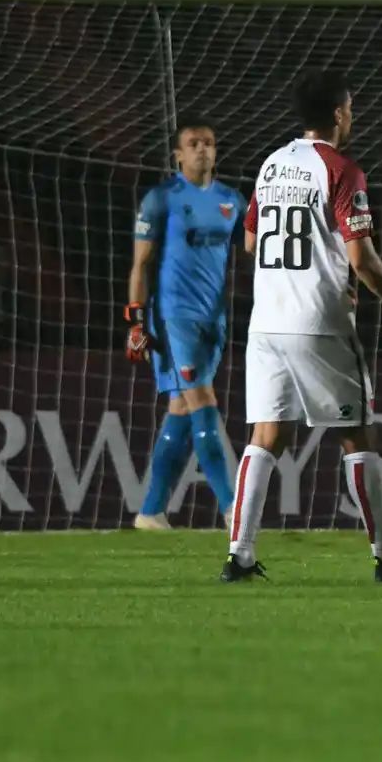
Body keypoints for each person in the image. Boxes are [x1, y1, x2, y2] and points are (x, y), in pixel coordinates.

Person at [221, 71, 382, 583]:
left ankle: (240, 556)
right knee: (357, 435)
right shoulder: (340, 170)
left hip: (266, 322)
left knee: (265, 435)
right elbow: (361, 260)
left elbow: (250, 243)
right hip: (318, 320)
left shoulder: (272, 164)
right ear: (339, 114)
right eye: (351, 109)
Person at [125, 122, 242, 529]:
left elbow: (252, 254)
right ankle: (233, 508)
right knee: (203, 401)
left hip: (214, 318)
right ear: (177, 155)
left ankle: (151, 511)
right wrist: (136, 320)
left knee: (180, 406)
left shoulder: (232, 200)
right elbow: (140, 264)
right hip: (174, 316)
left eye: (209, 143)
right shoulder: (162, 199)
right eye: (193, 145)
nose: (202, 151)